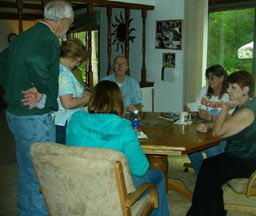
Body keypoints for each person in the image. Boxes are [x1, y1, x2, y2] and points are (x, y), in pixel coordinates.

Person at [0, 1, 74, 215]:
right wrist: (40, 88)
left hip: (16, 114)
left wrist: (16, 86)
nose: (68, 28)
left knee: (27, 172)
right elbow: (35, 60)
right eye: (69, 24)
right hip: (35, 118)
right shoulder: (48, 38)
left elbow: (2, 62)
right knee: (40, 175)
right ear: (62, 21)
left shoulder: (24, 36)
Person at [66, 80, 169, 216]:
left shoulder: (75, 120)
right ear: (119, 102)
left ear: (92, 99)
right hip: (114, 186)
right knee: (158, 175)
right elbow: (140, 169)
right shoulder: (124, 128)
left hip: (81, 182)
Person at [186, 70, 256, 216]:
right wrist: (209, 125)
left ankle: (203, 213)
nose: (228, 90)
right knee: (208, 165)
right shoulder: (246, 104)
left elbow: (218, 133)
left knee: (210, 171)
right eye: (228, 87)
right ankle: (211, 212)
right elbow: (228, 123)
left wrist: (225, 107)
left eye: (233, 87)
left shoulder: (246, 112)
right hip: (247, 155)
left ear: (245, 90)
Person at [184, 65, 232, 174]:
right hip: (203, 128)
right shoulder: (204, 90)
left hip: (221, 131)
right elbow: (198, 110)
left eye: (212, 78)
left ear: (222, 78)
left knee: (212, 149)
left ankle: (217, 175)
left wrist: (210, 117)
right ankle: (202, 174)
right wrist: (192, 111)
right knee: (191, 148)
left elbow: (229, 119)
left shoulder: (229, 94)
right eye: (208, 78)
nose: (209, 81)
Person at [54, 38, 90, 144]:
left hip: (58, 122)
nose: (77, 65)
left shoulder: (55, 67)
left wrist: (80, 95)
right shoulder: (64, 73)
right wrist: (87, 99)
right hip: (64, 124)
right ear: (70, 56)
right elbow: (68, 104)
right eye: (78, 62)